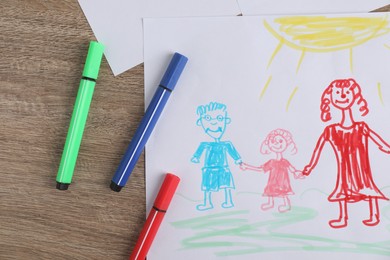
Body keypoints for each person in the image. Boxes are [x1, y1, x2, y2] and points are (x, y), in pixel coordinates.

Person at [303, 78, 390, 228]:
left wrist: (387, 148)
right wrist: (309, 167)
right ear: (330, 98)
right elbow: (318, 149)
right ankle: (343, 218)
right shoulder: (330, 130)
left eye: (346, 92)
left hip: (362, 169)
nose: (342, 96)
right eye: (337, 93)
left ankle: (374, 215)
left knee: (368, 186)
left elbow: (379, 142)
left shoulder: (361, 127)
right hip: (344, 171)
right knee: (342, 188)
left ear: (354, 95)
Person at [191, 102, 242, 211]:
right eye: (207, 118)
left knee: (226, 186)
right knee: (207, 187)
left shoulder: (226, 144)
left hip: (223, 168)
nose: (214, 122)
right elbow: (198, 153)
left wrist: (238, 159)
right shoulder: (205, 144)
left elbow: (232, 152)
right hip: (209, 169)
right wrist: (196, 157)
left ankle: (228, 201)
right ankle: (208, 203)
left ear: (225, 121)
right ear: (200, 122)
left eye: (219, 118)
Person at [241, 129, 303, 213]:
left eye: (280, 141)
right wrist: (247, 167)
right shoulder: (271, 162)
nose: (276, 144)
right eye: (273, 141)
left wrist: (298, 173)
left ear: (287, 144)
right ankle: (270, 203)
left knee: (283, 193)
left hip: (282, 183)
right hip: (273, 182)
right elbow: (261, 169)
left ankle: (286, 205)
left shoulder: (285, 162)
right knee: (270, 190)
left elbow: (293, 170)